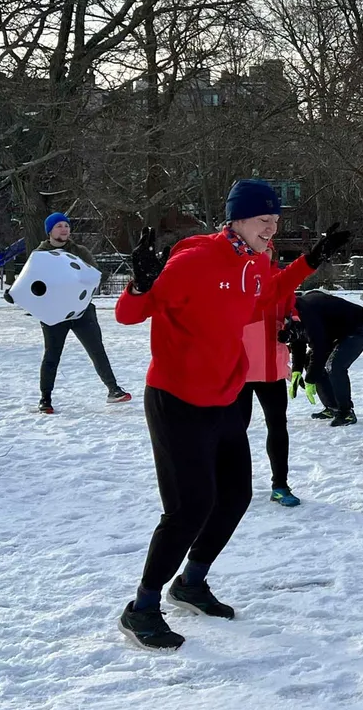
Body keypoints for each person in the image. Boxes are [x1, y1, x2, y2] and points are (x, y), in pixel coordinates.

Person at [115, 179, 349, 650]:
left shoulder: (256, 260)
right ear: (237, 219)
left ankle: (192, 582)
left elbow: (266, 293)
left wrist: (312, 258)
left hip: (226, 394)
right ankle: (141, 607)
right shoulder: (194, 259)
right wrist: (140, 283)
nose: (272, 228)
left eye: (276, 220)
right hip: (177, 398)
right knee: (188, 509)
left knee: (236, 495)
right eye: (264, 220)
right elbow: (128, 315)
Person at [34, 212, 128, 413]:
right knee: (52, 355)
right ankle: (45, 399)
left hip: (82, 310)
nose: (64, 229)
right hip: (55, 313)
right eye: (59, 226)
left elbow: (96, 276)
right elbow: (33, 283)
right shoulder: (40, 254)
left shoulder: (80, 251)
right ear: (50, 230)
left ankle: (113, 390)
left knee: (97, 350)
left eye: (66, 225)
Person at [238, 245, 300, 507]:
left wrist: (292, 327)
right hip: (237, 366)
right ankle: (232, 484)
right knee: (235, 429)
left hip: (271, 366)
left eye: (267, 252)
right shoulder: (234, 280)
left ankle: (280, 485)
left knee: (277, 424)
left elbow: (292, 312)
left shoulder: (281, 280)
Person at [286, 289, 363, 426]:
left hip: (360, 326)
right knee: (311, 361)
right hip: (336, 331)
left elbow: (319, 349)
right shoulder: (293, 314)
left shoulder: (308, 313)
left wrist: (310, 378)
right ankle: (332, 406)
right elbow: (298, 341)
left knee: (335, 366)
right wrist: (296, 370)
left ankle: (346, 412)